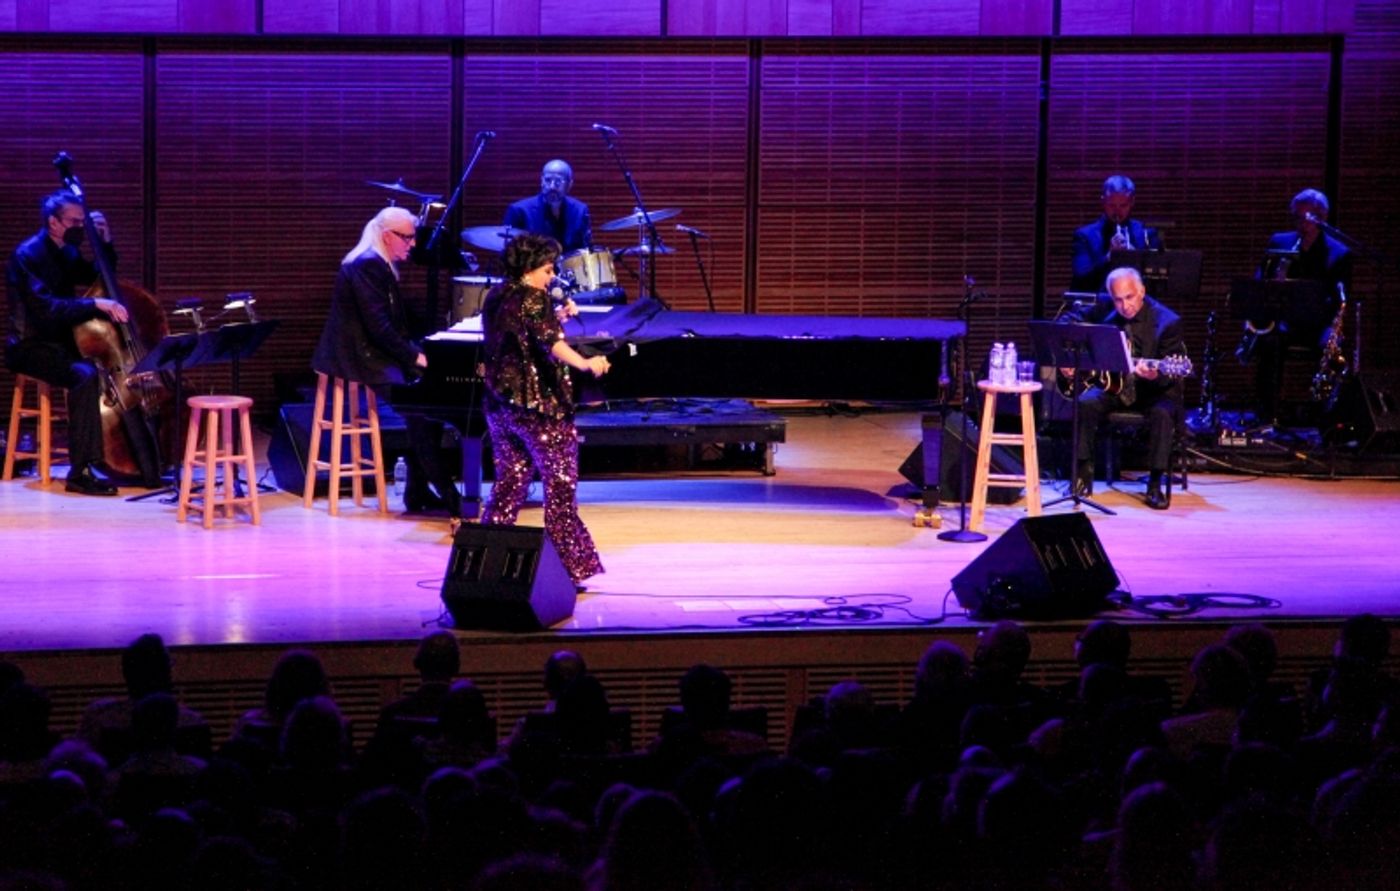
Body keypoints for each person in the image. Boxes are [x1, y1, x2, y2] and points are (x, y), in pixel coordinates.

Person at [311, 205, 462, 518]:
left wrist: (423, 348)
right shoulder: (368, 265)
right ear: (385, 235)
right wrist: (414, 356)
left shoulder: (378, 264)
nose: (413, 244)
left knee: (427, 407)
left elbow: (392, 324)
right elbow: (379, 329)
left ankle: (418, 491)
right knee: (420, 410)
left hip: (372, 350)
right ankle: (450, 498)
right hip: (360, 356)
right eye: (406, 238)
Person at [479, 233, 610, 588]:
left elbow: (521, 335)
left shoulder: (496, 296)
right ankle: (569, 570)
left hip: (500, 406)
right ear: (529, 268)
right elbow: (552, 346)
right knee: (561, 489)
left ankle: (485, 562)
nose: (552, 276)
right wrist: (586, 363)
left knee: (508, 486)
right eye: (548, 269)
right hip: (540, 409)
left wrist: (557, 319)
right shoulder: (535, 299)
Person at [5, 190, 129, 495]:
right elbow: (45, 310)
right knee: (85, 376)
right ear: (53, 222)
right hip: (29, 347)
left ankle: (107, 458)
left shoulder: (66, 252)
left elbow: (98, 277)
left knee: (92, 370)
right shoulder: (27, 255)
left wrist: (105, 241)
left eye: (82, 222)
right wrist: (96, 305)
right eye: (74, 222)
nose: (79, 227)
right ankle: (81, 471)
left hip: (59, 344)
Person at [1069, 266, 1186, 510]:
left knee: (1163, 413)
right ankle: (1082, 474)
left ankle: (1154, 483)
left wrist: (1155, 375)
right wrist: (1069, 358)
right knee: (1086, 403)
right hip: (1115, 386)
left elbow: (1171, 376)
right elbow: (1069, 320)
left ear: (1142, 291)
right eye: (1118, 299)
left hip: (1153, 391)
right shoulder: (1106, 308)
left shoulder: (1167, 322)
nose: (1124, 306)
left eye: (1129, 297)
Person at [1241, 188, 1353, 426]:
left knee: (1334, 350)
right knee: (1270, 342)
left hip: (1318, 323)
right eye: (1296, 217)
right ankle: (1267, 411)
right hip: (1285, 322)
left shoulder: (1339, 252)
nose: (1301, 224)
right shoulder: (1280, 242)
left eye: (1306, 218)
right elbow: (1260, 282)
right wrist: (1275, 280)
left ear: (1321, 218)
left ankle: (1324, 415)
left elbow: (1339, 298)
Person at [1070, 174, 1162, 294]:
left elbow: (1157, 280)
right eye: (1112, 205)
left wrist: (1134, 256)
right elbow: (1081, 278)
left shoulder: (1147, 233)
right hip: (1098, 307)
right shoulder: (1084, 236)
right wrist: (1109, 257)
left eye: (1123, 205)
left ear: (1132, 202)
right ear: (1103, 201)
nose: (1117, 211)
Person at [503, 160, 593, 253]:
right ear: (541, 181)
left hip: (569, 266)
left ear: (569, 184)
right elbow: (510, 253)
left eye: (558, 181)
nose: (552, 187)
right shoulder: (519, 210)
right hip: (533, 266)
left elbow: (585, 249)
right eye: (548, 180)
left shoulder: (580, 210)